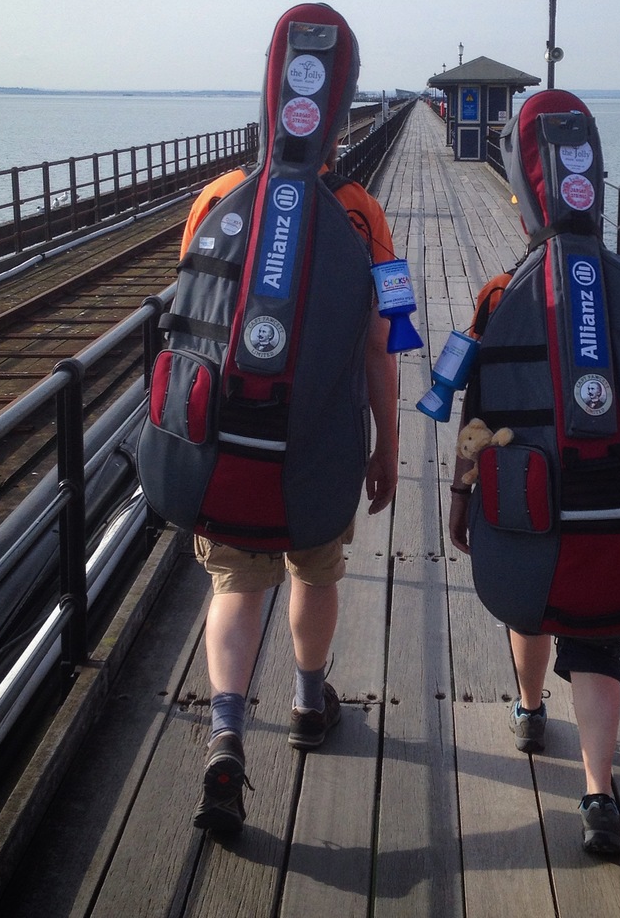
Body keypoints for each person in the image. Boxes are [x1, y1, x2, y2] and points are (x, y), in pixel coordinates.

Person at [187, 155, 400, 836]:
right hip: (322, 439)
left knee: (234, 585)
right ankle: (309, 705)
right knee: (314, 568)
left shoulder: (218, 196)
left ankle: (226, 730)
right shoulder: (361, 210)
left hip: (233, 440)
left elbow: (195, 316)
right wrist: (387, 443)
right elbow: (382, 341)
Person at [447, 245, 620, 860]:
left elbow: (475, 407)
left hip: (524, 487)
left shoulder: (499, 293)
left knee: (530, 601)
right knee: (598, 636)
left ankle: (528, 711)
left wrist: (459, 492)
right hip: (605, 491)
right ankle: (598, 795)